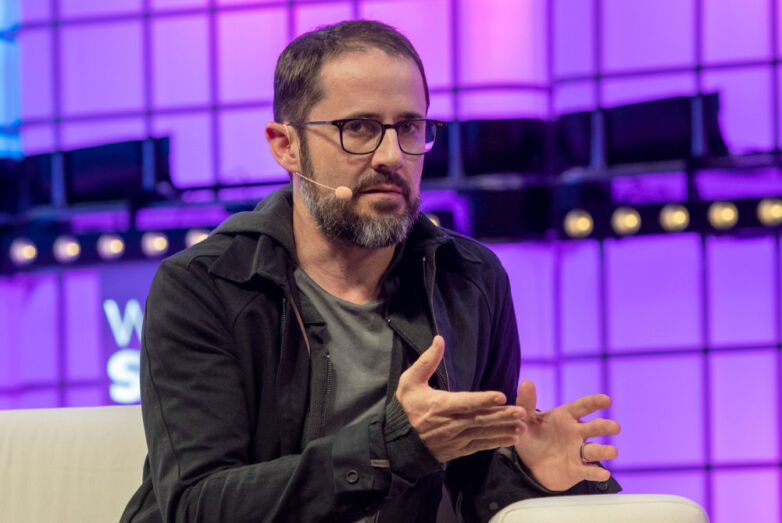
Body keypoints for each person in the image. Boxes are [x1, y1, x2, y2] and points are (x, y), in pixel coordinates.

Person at [121, 20, 621, 523]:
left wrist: (529, 474)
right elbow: (198, 506)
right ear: (285, 145)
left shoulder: (471, 279)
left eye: (409, 127)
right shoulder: (206, 285)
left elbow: (468, 490)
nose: (391, 157)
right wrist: (394, 447)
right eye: (358, 128)